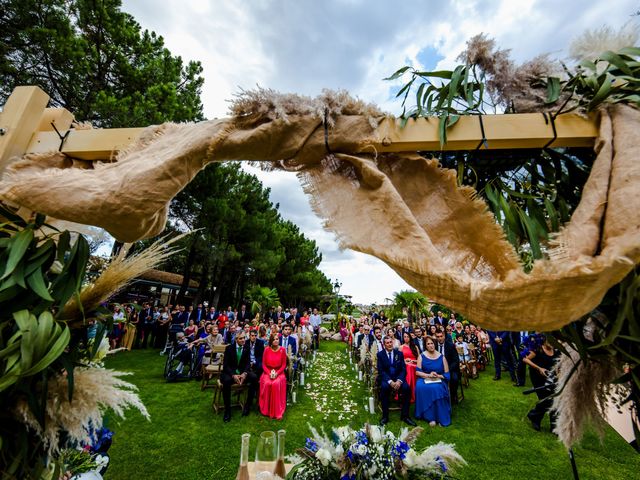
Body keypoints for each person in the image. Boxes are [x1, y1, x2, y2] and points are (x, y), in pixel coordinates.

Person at [376, 336, 416, 427]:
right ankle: (385, 416)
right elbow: (381, 371)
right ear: (384, 344)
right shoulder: (380, 355)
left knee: (407, 388)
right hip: (387, 379)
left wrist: (399, 381)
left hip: (398, 379)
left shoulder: (399, 354)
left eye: (391, 342)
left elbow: (403, 370)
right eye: (387, 343)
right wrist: (390, 382)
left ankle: (405, 416)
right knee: (384, 388)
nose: (390, 344)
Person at [522, 335, 559, 431]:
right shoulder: (538, 349)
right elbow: (525, 359)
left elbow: (557, 365)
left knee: (555, 399)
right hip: (537, 377)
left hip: (550, 378)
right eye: (549, 342)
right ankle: (534, 417)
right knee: (546, 399)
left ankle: (554, 426)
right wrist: (539, 368)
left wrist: (558, 375)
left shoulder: (555, 351)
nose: (551, 344)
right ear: (544, 340)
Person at [221, 332, 258, 422]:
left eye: (244, 338)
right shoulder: (229, 348)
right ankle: (227, 410)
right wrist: (233, 375)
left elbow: (247, 363)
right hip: (231, 373)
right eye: (241, 338)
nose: (243, 340)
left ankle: (247, 406)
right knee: (226, 381)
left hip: (242, 372)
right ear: (236, 339)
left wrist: (245, 373)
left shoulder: (246, 348)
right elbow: (225, 365)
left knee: (254, 377)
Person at [415, 336, 451, 426]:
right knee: (419, 386)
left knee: (436, 388)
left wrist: (438, 375)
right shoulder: (421, 356)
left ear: (434, 344)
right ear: (425, 346)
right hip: (425, 378)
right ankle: (429, 417)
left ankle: (438, 416)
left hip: (439, 379)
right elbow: (417, 372)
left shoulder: (442, 357)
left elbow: (447, 374)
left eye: (432, 343)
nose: (431, 345)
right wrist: (428, 375)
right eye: (428, 344)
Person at [259, 333, 288, 420]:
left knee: (275, 384)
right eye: (274, 339)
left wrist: (276, 373)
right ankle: (266, 410)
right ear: (271, 341)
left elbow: (283, 365)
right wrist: (269, 373)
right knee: (267, 383)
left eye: (277, 339)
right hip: (267, 372)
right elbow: (264, 365)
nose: (276, 341)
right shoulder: (266, 350)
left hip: (279, 372)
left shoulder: (282, 350)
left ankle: (277, 411)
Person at [435, 331, 460, 404]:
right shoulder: (434, 346)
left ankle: (453, 395)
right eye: (438, 337)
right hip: (437, 369)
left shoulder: (450, 345)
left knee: (454, 379)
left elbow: (456, 360)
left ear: (444, 336)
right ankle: (438, 397)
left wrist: (448, 369)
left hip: (450, 369)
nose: (440, 338)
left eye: (441, 336)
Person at [401, 332, 418, 403]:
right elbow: (399, 360)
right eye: (404, 337)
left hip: (415, 364)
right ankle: (409, 392)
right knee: (409, 367)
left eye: (407, 336)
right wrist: (405, 360)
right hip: (406, 365)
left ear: (410, 337)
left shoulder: (415, 347)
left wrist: (413, 361)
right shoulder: (401, 347)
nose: (406, 338)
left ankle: (415, 393)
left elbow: (419, 359)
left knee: (411, 366)